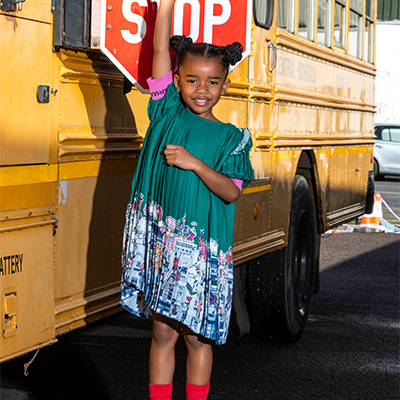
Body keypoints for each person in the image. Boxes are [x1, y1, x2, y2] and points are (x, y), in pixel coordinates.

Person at [120, 1, 254, 399]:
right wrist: (164, 9)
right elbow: (160, 51)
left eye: (212, 82)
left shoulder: (233, 138)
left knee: (197, 337)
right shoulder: (165, 114)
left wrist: (195, 164)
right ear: (176, 81)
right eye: (192, 79)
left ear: (225, 85)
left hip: (201, 250)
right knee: (162, 330)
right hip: (164, 242)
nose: (202, 89)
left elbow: (230, 192)